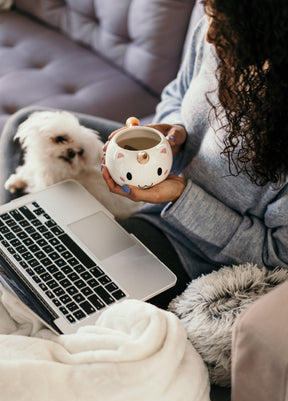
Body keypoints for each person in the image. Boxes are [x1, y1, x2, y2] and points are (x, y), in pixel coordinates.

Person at [1, 0, 288, 309]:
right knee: (24, 125)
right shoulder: (218, 30)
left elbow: (277, 256)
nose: (209, 33)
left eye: (225, 22)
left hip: (190, 245)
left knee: (57, 284)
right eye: (208, 9)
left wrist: (180, 196)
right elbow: (176, 94)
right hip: (161, 175)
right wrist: (173, 129)